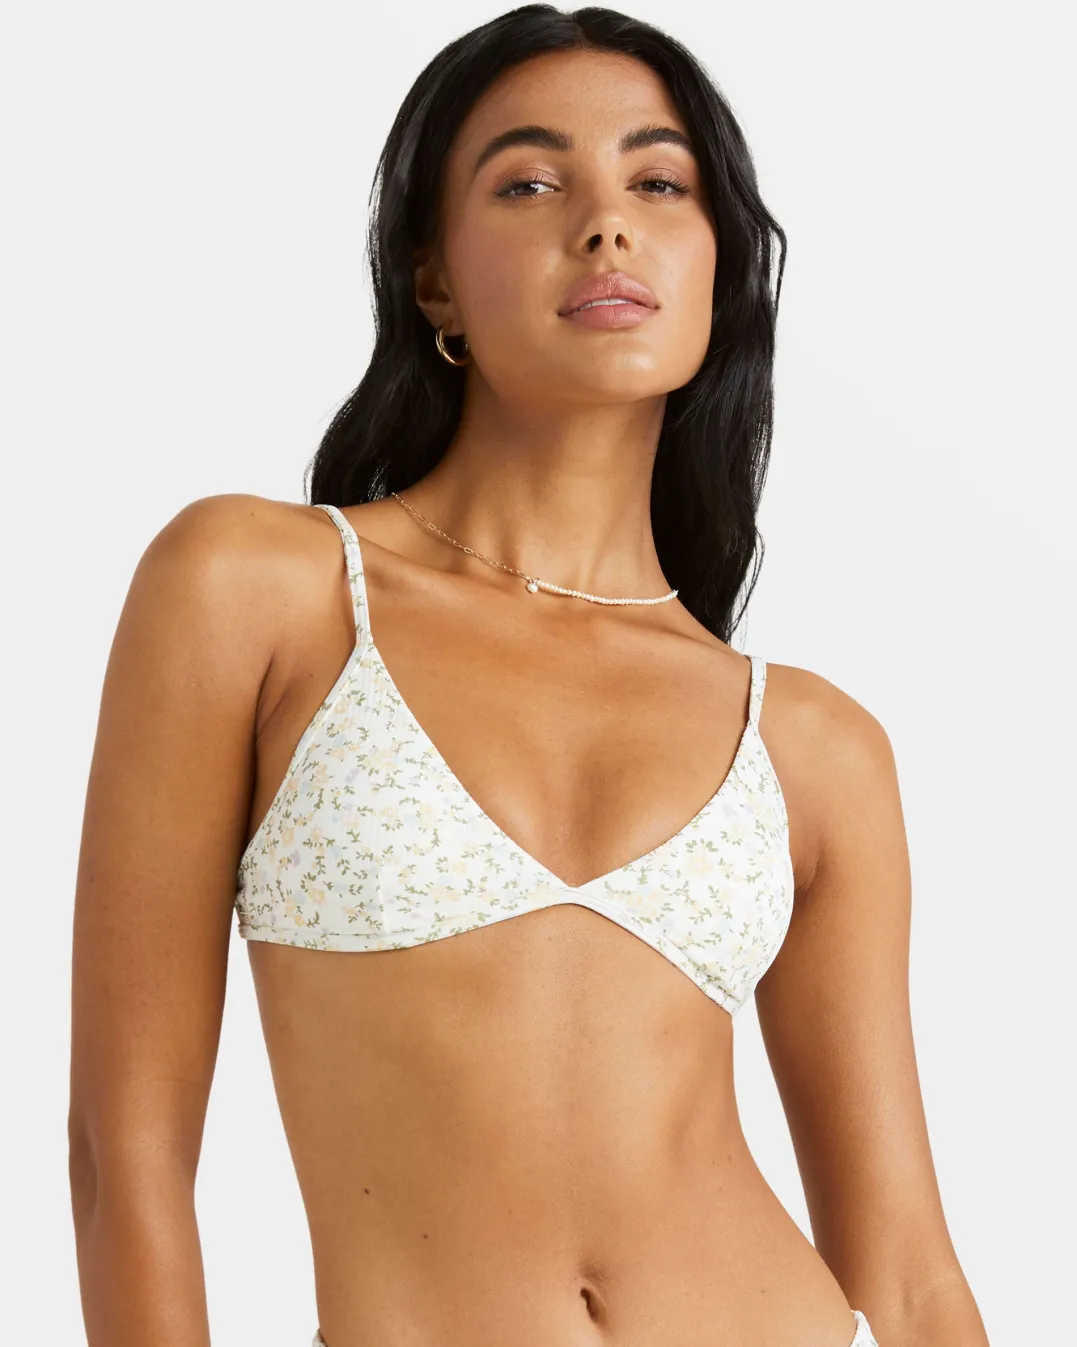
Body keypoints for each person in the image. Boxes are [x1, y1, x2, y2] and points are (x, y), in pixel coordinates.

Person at [68, 6, 990, 1345]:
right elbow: (126, 1151)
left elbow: (907, 1272)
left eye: (658, 183)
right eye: (530, 183)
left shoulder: (810, 743)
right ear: (434, 280)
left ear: (719, 264)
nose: (607, 225)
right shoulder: (259, 591)